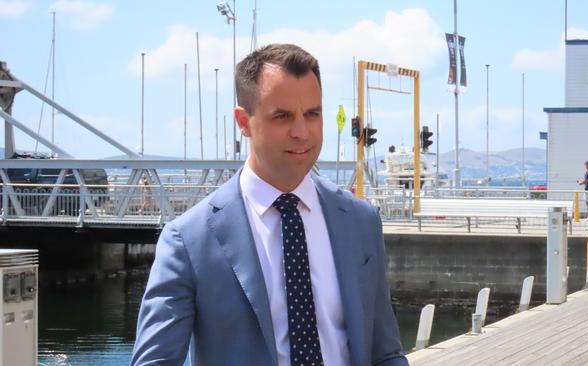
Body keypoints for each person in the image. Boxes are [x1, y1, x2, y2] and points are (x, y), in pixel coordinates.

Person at [130, 44, 407, 366]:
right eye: (282, 116)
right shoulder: (188, 240)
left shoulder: (360, 221)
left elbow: (386, 352)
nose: (302, 132)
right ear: (243, 122)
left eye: (312, 114)